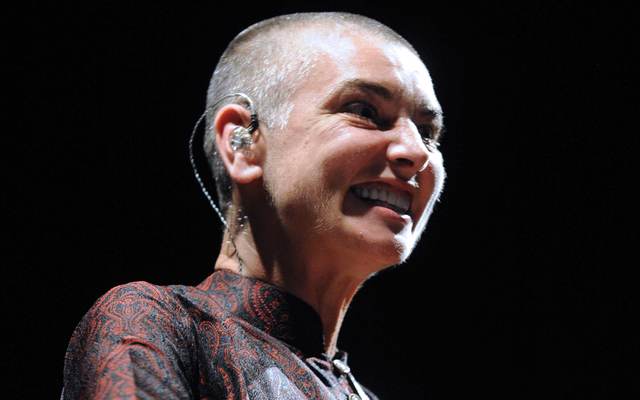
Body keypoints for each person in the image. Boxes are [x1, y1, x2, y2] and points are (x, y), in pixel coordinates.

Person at [62, 11, 446, 399]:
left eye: (429, 133)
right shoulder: (155, 324)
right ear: (242, 144)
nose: (416, 152)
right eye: (364, 111)